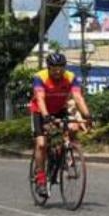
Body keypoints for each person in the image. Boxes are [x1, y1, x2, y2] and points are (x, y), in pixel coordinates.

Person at [29, 53, 93, 198]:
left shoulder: (70, 77)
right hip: (40, 111)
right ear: (49, 68)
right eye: (54, 68)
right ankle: (40, 178)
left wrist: (87, 116)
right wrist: (45, 117)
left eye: (60, 68)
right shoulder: (40, 77)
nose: (57, 71)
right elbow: (40, 98)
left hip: (59, 109)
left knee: (73, 127)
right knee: (41, 144)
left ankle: (62, 154)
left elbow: (77, 97)